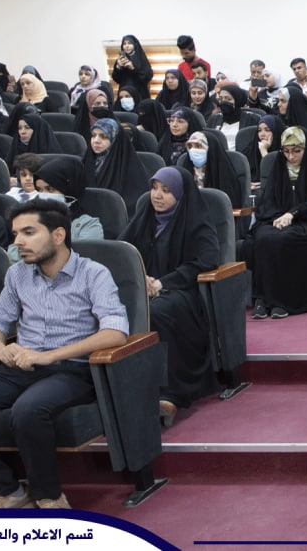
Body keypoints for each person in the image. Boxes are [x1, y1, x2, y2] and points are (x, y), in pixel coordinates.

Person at [0, 197, 128, 509]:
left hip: (71, 369)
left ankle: (48, 496)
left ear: (58, 235)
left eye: (29, 232)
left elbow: (115, 332)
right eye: (16, 233)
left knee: (28, 411)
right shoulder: (18, 274)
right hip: (19, 366)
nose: (18, 241)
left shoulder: (93, 273)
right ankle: (8, 488)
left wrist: (50, 355)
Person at [121, 168, 220, 423]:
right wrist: (139, 276)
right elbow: (122, 253)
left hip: (182, 292)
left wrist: (162, 282)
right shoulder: (144, 218)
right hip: (141, 290)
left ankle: (166, 391)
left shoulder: (195, 221)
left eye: (166, 191)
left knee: (156, 313)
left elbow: (206, 260)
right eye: (154, 188)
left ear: (180, 194)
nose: (157, 196)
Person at [245, 127, 307, 319]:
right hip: (275, 219)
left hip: (304, 221)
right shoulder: (278, 166)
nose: (291, 157)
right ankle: (262, 299)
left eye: (296, 151)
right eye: (286, 151)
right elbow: (268, 199)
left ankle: (284, 301)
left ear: (306, 149)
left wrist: (293, 213)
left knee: (285, 240)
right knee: (262, 239)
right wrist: (278, 217)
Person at [31, 156, 103, 243]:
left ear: (68, 190)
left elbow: (85, 250)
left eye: (50, 189)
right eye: (39, 190)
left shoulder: (87, 225)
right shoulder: (30, 219)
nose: (43, 195)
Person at [176, 129, 244, 209]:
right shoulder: (185, 170)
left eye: (198, 146)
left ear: (210, 149)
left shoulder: (223, 173)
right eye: (190, 146)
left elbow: (231, 206)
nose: (193, 150)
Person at [112, 35, 153, 100]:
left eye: (129, 43)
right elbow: (116, 79)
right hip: (124, 94)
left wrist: (133, 69)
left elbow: (147, 77)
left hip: (140, 93)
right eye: (124, 44)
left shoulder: (141, 59)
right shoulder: (120, 59)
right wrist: (118, 67)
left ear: (135, 45)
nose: (127, 46)